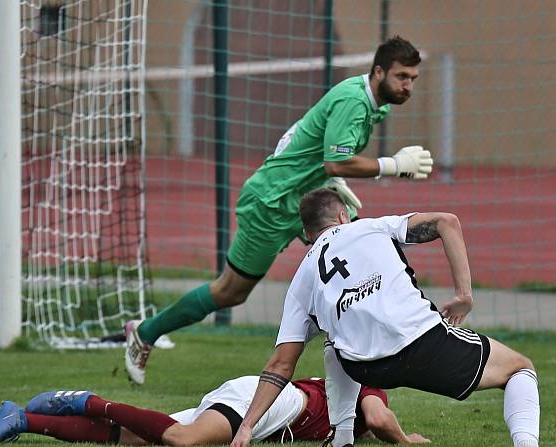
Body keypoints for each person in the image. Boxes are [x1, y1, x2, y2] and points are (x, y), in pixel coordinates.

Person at [124, 35, 434, 384]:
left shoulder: (371, 100)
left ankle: (397, 347)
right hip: (270, 203)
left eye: (413, 79)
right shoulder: (353, 100)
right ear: (378, 72)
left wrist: (327, 182)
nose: (408, 86)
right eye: (402, 77)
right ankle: (146, 332)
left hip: (305, 198)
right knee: (231, 292)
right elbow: (336, 161)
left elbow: (298, 138)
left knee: (364, 257)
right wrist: (391, 165)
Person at [225, 189, 556, 447]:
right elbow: (448, 222)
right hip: (422, 345)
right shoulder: (370, 226)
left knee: (334, 341)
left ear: (307, 233)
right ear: (342, 214)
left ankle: (341, 441)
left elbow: (280, 365)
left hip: (366, 367)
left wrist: (247, 425)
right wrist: (464, 295)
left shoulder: (302, 278)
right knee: (520, 367)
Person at [0, 375, 430, 447]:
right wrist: (406, 439)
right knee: (182, 439)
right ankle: (86, 401)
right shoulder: (367, 383)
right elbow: (376, 418)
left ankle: (24, 419)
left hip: (256, 393)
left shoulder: (344, 373)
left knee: (139, 438)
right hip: (278, 404)